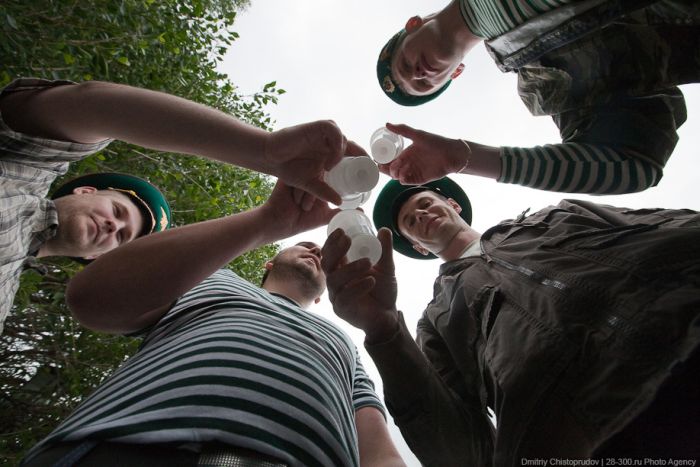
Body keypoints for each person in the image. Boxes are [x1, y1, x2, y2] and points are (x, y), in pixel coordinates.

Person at [21, 180, 406, 467]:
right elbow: (94, 297)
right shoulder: (209, 276)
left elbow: (375, 445)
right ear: (268, 263)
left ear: (322, 295)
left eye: (320, 253)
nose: (314, 249)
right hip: (121, 448)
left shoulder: (342, 340)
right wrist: (267, 221)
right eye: (303, 244)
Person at [321, 177, 700, 465]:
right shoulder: (434, 322)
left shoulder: (554, 216)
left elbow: (666, 223)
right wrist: (384, 331)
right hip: (591, 439)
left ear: (452, 204)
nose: (420, 215)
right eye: (409, 221)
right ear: (418, 246)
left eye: (424, 203)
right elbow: (461, 446)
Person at [0, 77, 351, 335]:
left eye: (122, 237)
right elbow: (93, 106)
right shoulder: (30, 168)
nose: (114, 227)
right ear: (85, 191)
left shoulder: (6, 294)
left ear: (94, 259)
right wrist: (265, 152)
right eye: (119, 212)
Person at [375, 1, 699, 195]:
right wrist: (464, 157)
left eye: (405, 64)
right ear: (455, 73)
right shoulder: (545, 77)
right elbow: (633, 165)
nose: (417, 75)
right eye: (424, 85)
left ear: (414, 24)